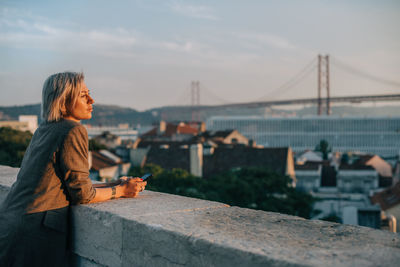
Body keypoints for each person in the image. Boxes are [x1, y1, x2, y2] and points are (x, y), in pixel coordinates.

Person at [0, 72, 147, 266]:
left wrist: (116, 183)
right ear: (63, 102)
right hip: (36, 232)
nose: (91, 100)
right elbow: (82, 195)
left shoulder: (45, 128)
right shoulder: (73, 130)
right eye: (83, 95)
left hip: (12, 222)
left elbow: (68, 182)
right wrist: (121, 191)